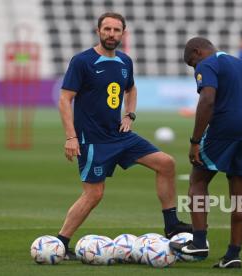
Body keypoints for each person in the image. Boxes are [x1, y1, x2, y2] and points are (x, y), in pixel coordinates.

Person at [57, 12, 191, 259]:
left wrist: (129, 115)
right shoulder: (82, 61)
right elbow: (65, 99)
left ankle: (171, 224)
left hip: (119, 135)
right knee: (94, 194)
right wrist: (71, 136)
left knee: (166, 163)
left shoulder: (125, 61)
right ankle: (61, 242)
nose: (111, 34)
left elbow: (131, 88)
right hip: (93, 140)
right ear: (98, 31)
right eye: (107, 29)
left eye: (116, 30)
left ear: (123, 33)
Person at [169, 37, 242, 269]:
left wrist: (195, 141)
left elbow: (207, 99)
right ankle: (233, 254)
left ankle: (199, 242)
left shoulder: (207, 63)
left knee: (198, 178)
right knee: (241, 193)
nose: (195, 69)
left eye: (192, 64)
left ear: (197, 52)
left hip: (226, 127)